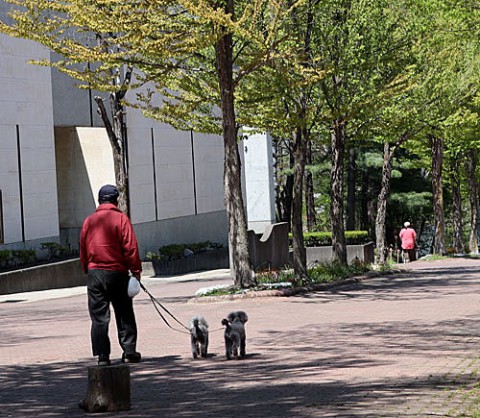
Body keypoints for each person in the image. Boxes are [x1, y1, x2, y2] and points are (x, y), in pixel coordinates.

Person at [80, 184, 142, 366]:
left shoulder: (89, 221)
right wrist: (136, 272)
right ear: (116, 200)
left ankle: (102, 356)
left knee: (99, 317)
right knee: (124, 313)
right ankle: (129, 351)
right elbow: (131, 248)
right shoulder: (121, 219)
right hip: (117, 273)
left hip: (95, 273)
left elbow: (83, 249)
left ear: (100, 200)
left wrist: (87, 269)